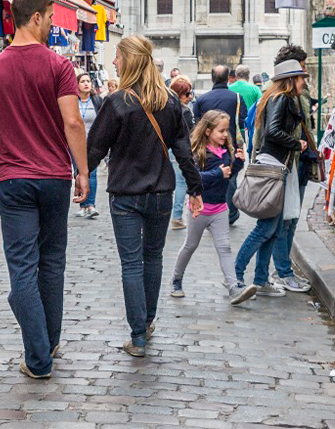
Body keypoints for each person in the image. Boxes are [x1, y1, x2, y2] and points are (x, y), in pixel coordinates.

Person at [0, 0, 88, 380]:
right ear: (36, 17)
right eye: (51, 17)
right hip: (53, 176)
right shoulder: (58, 66)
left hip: (13, 178)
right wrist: (83, 170)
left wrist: (4, 141)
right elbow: (73, 122)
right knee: (52, 261)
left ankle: (38, 354)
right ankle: (47, 345)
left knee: (22, 267)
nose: (52, 24)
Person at [86, 35, 204, 358]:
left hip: (125, 193)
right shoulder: (168, 101)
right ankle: (148, 321)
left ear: (130, 61)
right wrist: (194, 189)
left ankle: (138, 335)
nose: (114, 62)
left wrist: (82, 176)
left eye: (118, 57)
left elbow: (95, 147)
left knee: (131, 263)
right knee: (152, 258)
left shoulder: (117, 102)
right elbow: (184, 152)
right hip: (161, 192)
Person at [232, 55, 315, 297]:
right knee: (266, 227)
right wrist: (296, 144)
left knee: (273, 227)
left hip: (278, 164)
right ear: (292, 79)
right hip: (274, 165)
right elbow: (274, 131)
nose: (303, 82)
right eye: (301, 77)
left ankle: (260, 279)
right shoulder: (282, 98)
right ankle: (236, 274)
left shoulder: (279, 98)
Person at [169, 110, 255, 306]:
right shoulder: (199, 152)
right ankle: (176, 279)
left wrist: (239, 163)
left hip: (219, 208)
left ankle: (233, 287)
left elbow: (229, 175)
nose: (225, 135)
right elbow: (194, 177)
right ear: (207, 131)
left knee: (224, 247)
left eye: (227, 131)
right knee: (190, 246)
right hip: (199, 208)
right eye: (221, 131)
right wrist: (217, 173)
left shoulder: (226, 152)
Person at [192, 65, 246, 224]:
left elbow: (196, 124)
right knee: (230, 179)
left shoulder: (201, 99)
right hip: (230, 146)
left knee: (209, 175)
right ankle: (229, 214)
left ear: (212, 79)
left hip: (207, 147)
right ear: (229, 77)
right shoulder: (236, 97)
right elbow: (241, 122)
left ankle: (210, 209)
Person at [169, 77, 195, 230]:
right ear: (180, 94)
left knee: (178, 182)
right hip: (180, 149)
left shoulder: (169, 107)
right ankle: (177, 216)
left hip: (171, 149)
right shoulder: (183, 111)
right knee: (181, 184)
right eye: (187, 94)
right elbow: (189, 133)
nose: (190, 96)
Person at [76, 71, 102, 219]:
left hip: (93, 143)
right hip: (75, 143)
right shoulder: (73, 101)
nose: (86, 84)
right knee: (79, 173)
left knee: (91, 173)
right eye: (82, 81)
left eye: (88, 81)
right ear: (77, 85)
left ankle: (91, 205)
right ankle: (82, 204)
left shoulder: (97, 101)